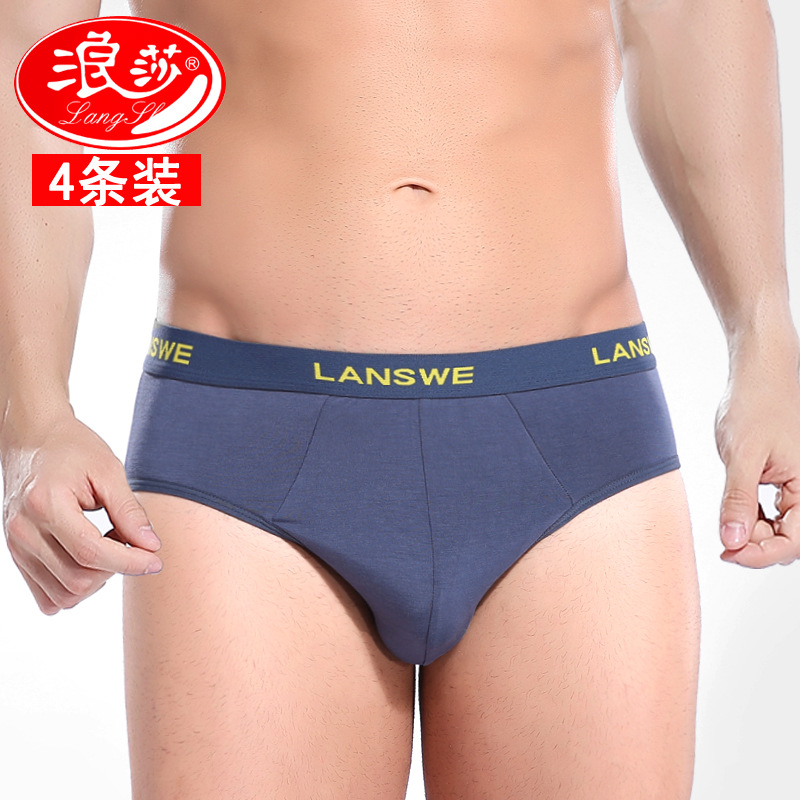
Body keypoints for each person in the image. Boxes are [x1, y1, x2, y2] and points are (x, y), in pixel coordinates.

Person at [1, 0, 798, 797]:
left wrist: (764, 342)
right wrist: (33, 412)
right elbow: (31, 45)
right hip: (247, 435)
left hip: (574, 432)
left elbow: (693, 14)